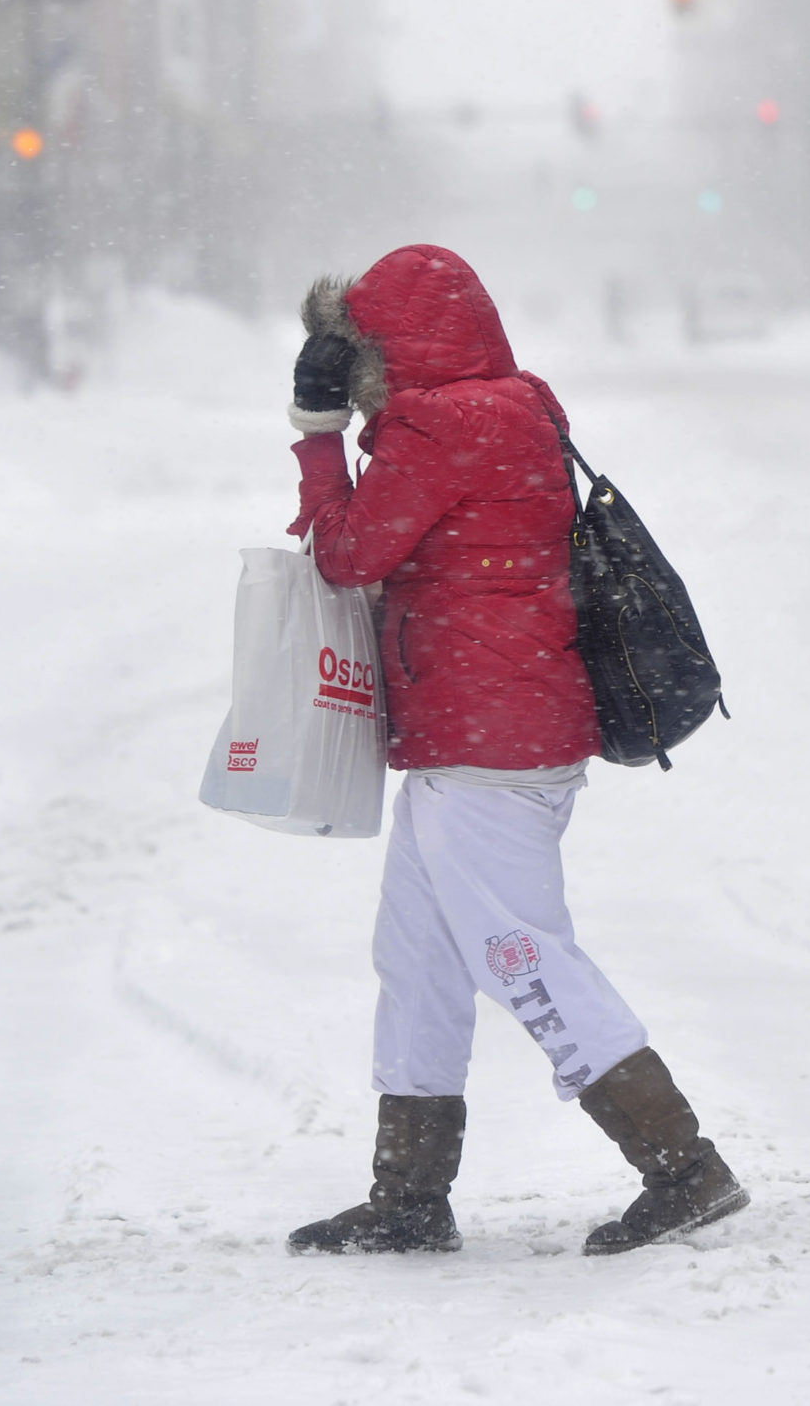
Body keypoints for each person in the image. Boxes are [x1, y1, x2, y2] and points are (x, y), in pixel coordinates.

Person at [278, 245, 747, 1257]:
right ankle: (407, 1192)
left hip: (487, 735)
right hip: (485, 726)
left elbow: (349, 550)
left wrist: (320, 438)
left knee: (520, 955)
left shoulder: (438, 422)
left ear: (384, 350)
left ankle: (681, 1165)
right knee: (419, 959)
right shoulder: (512, 400)